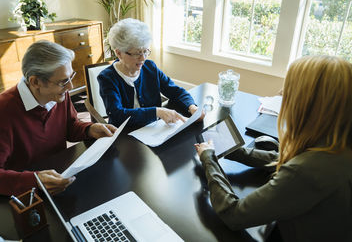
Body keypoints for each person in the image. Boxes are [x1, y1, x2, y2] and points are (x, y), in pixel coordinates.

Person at [195, 55, 352, 242]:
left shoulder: (305, 171)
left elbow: (234, 214)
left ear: (308, 105)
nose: (282, 95)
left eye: (287, 93)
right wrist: (239, 152)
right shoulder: (336, 143)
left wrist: (208, 159)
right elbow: (284, 159)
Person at [0, 40, 117, 196]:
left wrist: (89, 129)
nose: (70, 86)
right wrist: (33, 181)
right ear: (35, 82)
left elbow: (69, 126)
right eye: (63, 81)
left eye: (70, 77)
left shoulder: (59, 94)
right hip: (26, 197)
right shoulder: (5, 110)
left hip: (57, 181)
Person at [98, 18, 204, 128]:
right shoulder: (107, 78)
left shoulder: (150, 67)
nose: (143, 58)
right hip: (124, 134)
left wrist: (192, 107)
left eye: (145, 51)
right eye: (137, 53)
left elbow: (176, 91)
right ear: (119, 53)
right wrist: (156, 112)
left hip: (153, 129)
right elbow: (117, 114)